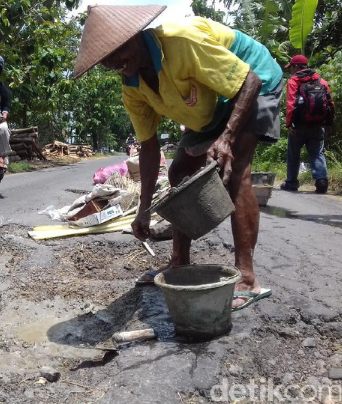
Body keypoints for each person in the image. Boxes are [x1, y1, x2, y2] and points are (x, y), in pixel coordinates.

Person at [73, 5, 283, 310]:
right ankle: (179, 263)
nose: (113, 63)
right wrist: (143, 210)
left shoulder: (181, 40)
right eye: (104, 60)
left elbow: (248, 81)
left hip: (253, 80)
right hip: (211, 104)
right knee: (179, 174)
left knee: (235, 169)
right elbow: (148, 147)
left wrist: (226, 138)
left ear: (135, 36)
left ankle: (247, 277)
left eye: (116, 53)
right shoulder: (132, 86)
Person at [280, 54, 334, 194]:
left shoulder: (294, 81)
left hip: (298, 125)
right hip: (317, 124)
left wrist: (289, 124)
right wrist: (328, 123)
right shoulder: (320, 80)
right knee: (317, 153)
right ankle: (321, 181)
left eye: (291, 67)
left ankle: (292, 182)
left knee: (294, 154)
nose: (290, 70)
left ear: (296, 66)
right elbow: (329, 103)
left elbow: (291, 104)